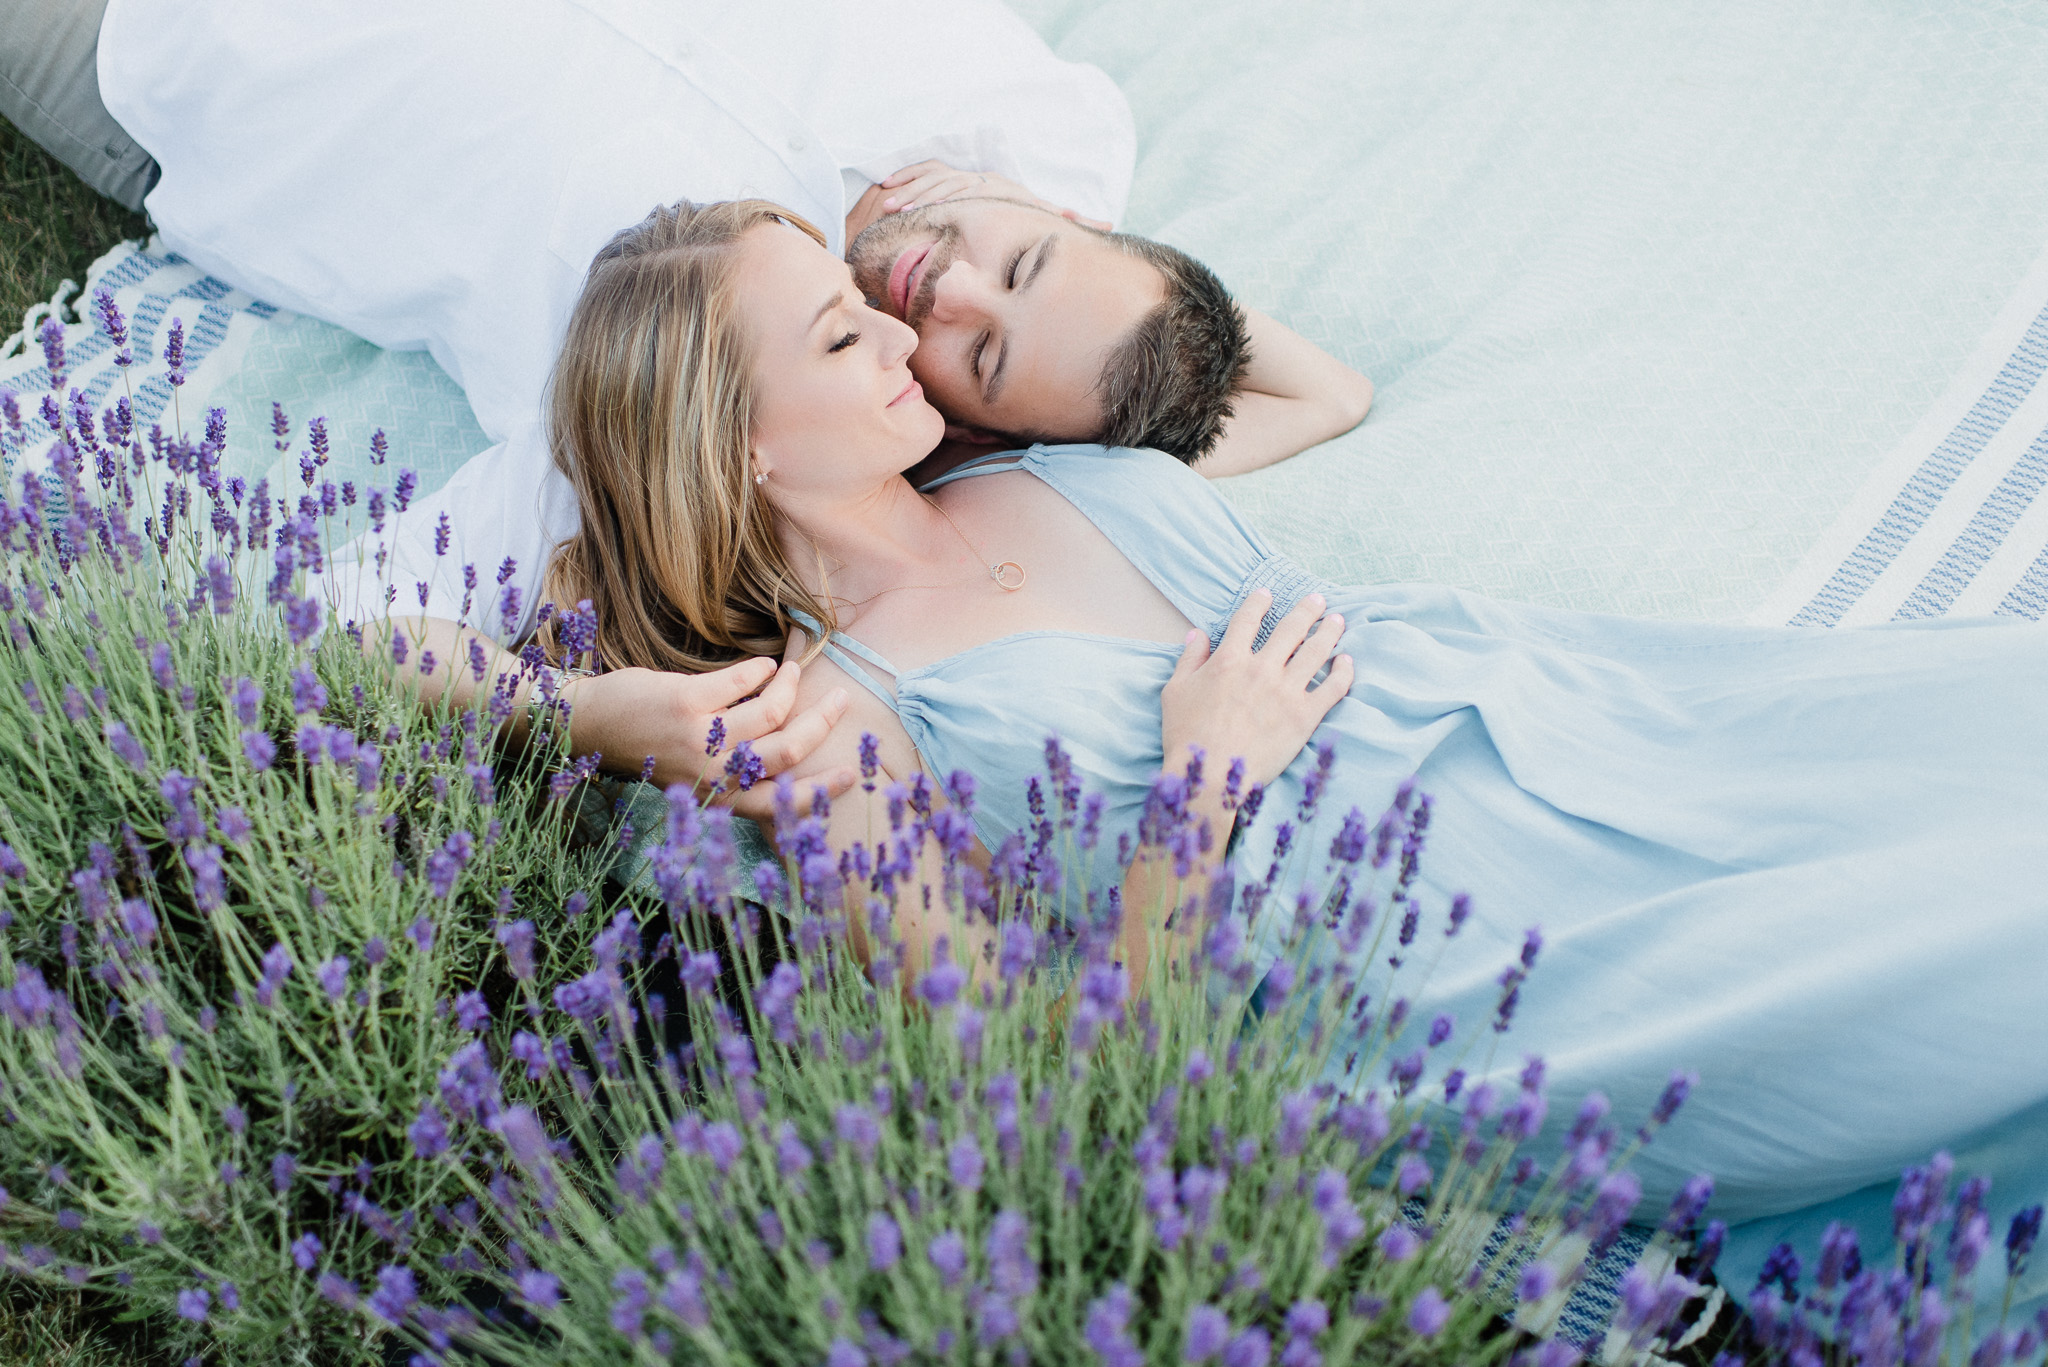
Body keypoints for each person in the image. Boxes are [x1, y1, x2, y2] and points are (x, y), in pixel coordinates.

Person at [539, 197, 2048, 1315]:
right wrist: (1197, 790)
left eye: (867, 297)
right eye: (837, 329)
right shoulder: (833, 730)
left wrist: (984, 222)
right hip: (1466, 957)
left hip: (1593, 725)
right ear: (735, 438)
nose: (895, 324)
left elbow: (1314, 392)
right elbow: (1071, 1089)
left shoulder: (1023, 457)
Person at [51, 0, 1370, 802]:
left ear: (958, 422)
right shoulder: (1053, 131)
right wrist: (1114, 303)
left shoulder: (685, 361)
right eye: (1024, 260)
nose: (949, 282)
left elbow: (332, 628)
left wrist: (566, 716)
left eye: (973, 353)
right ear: (1076, 214)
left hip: (178, 40)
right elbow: (1308, 382)